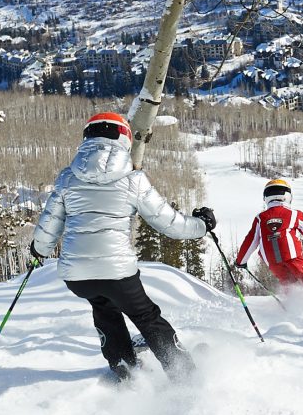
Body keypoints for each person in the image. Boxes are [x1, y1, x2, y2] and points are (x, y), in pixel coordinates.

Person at [30, 111, 216, 381]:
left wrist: (39, 250)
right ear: (125, 139)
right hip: (118, 273)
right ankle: (182, 372)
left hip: (77, 275)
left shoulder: (67, 178)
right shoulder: (133, 180)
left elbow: (49, 225)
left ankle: (123, 368)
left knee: (104, 310)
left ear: (87, 138)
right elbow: (170, 223)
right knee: (146, 316)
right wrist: (202, 225)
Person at [234, 177, 303, 303]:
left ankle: (294, 306)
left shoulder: (260, 218)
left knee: (288, 282)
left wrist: (241, 261)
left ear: (266, 197)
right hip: (291, 255)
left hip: (271, 260)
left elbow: (250, 241)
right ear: (288, 196)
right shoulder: (294, 214)